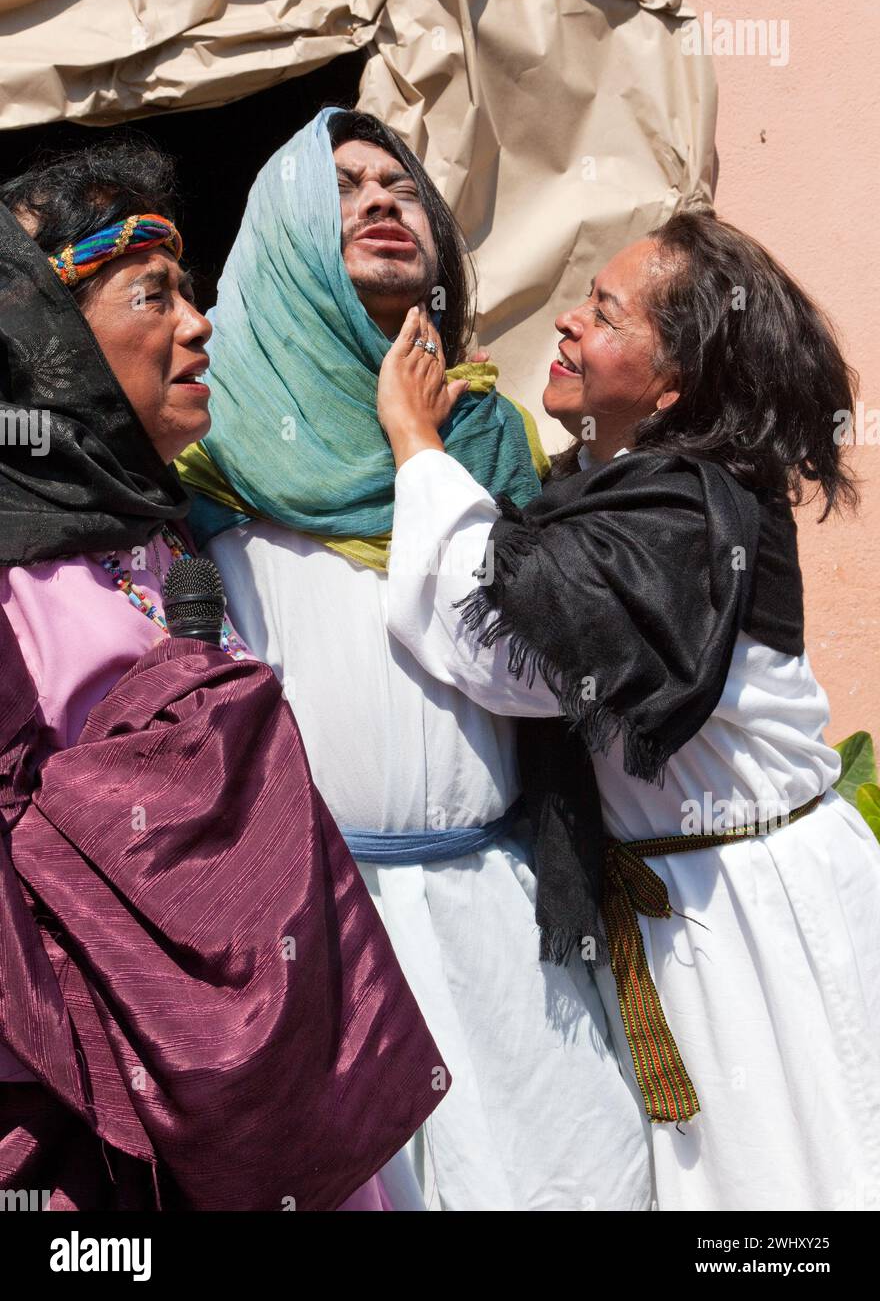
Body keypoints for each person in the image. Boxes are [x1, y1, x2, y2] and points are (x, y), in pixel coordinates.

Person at [177, 108, 652, 1211]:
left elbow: (541, 664)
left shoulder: (495, 443)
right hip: (316, 933)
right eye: (341, 188)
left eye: (398, 186)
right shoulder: (210, 462)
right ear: (285, 236)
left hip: (500, 900)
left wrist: (419, 446)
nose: (382, 201)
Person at [377, 209, 880, 1212]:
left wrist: (415, 445)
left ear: (672, 382)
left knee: (791, 1175)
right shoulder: (620, 492)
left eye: (604, 312)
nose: (567, 323)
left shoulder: (689, 515)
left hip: (749, 917)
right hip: (681, 908)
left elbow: (492, 636)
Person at [0, 140, 448, 1211]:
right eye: (152, 296)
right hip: (108, 1132)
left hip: (261, 1097)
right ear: (43, 339)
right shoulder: (11, 580)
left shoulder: (163, 540)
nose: (197, 325)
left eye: (192, 296)